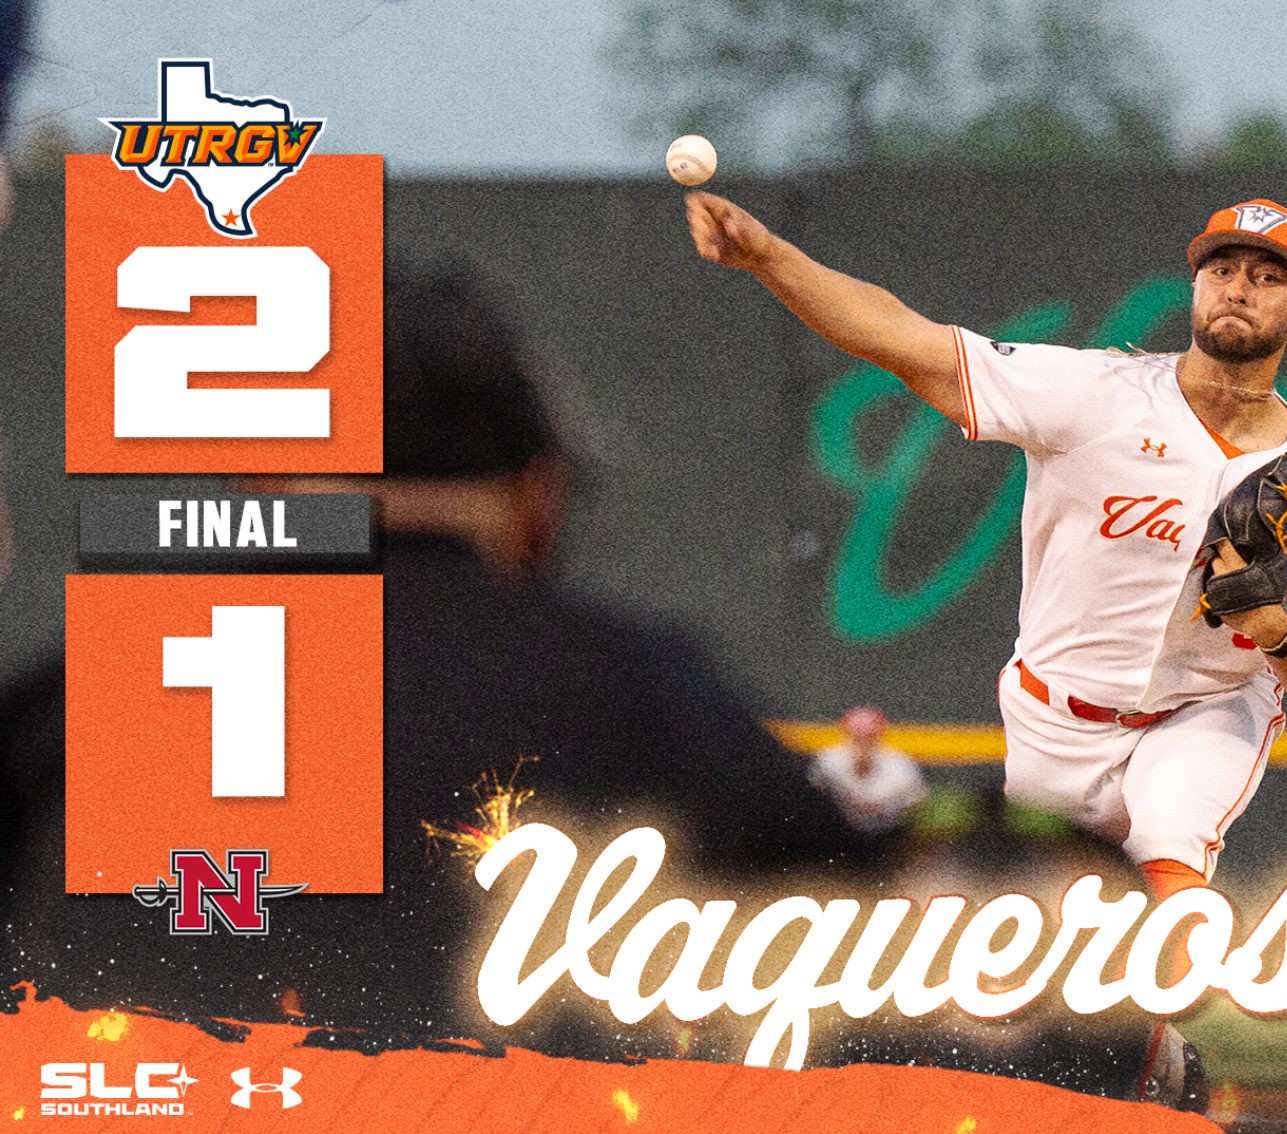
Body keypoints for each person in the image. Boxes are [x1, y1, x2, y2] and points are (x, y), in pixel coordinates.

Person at [0, 266, 870, 1056]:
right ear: (542, 496)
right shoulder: (660, 702)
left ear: (259, 485)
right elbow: (878, 993)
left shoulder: (76, 710)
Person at [686, 192, 1287, 1107]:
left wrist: (1274, 626)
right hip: (1055, 712)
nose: (1239, 288)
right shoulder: (1093, 395)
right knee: (1026, 946)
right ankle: (1085, 1082)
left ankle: (1147, 1053)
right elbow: (904, 340)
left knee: (1169, 838)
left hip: (1208, 708)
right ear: (1196, 285)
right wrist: (771, 257)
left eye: (1267, 275)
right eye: (1223, 268)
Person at [808, 705, 929, 836]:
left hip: (886, 835)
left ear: (879, 735)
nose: (863, 742)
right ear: (846, 735)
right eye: (857, 736)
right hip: (834, 834)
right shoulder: (828, 760)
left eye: (868, 736)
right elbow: (813, 798)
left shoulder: (899, 763)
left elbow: (916, 804)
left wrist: (883, 807)